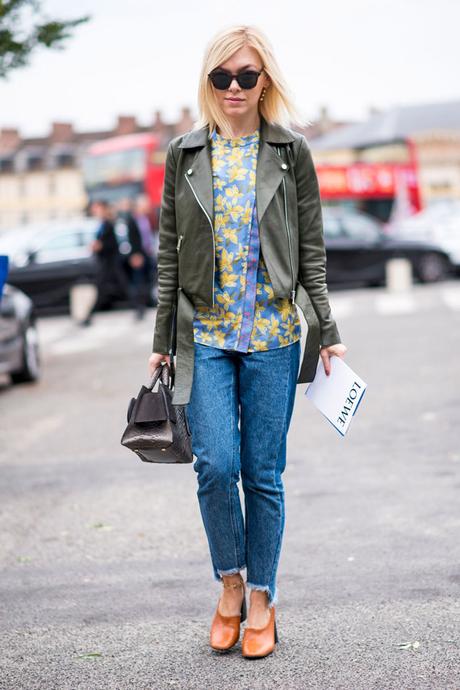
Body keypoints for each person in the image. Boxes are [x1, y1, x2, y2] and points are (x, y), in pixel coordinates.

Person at [148, 24, 347, 659]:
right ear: (209, 82)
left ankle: (262, 596)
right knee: (215, 467)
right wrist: (160, 340)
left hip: (275, 334)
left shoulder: (291, 151)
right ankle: (229, 585)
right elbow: (168, 257)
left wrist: (328, 332)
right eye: (222, 76)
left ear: (265, 82)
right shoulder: (185, 153)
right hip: (203, 334)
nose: (234, 87)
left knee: (262, 473)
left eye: (247, 75)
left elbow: (311, 251)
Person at [83, 199, 127, 326]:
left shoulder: (108, 224)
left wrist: (100, 246)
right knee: (104, 288)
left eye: (96, 208)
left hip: (111, 262)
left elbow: (111, 244)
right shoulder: (102, 224)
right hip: (106, 262)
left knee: (121, 286)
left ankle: (88, 317)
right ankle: (88, 317)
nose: (94, 210)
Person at [116, 198, 149, 319]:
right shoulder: (123, 220)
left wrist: (137, 254)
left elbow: (137, 238)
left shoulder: (132, 220)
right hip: (128, 256)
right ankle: (138, 307)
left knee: (139, 282)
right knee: (134, 283)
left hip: (136, 255)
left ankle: (141, 307)